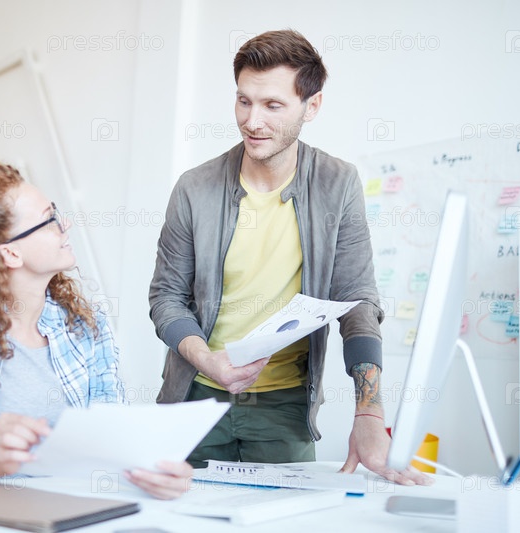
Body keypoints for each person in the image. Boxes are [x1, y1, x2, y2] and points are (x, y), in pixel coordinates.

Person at [149, 29, 429, 486]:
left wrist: (369, 412)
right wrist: (206, 360)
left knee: (286, 515)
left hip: (284, 407)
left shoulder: (338, 183)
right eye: (244, 101)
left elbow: (357, 300)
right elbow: (166, 298)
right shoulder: (194, 188)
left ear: (311, 106)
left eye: (272, 105)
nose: (252, 121)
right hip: (194, 399)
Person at [0, 159, 192, 499]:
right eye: (49, 220)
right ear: (11, 253)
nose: (65, 224)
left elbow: (112, 436)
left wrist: (156, 470)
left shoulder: (85, 327)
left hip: (76, 507)